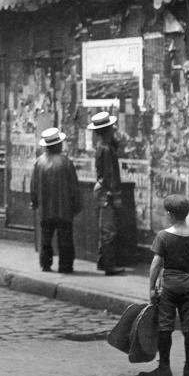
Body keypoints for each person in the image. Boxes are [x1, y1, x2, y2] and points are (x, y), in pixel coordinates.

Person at [140, 194, 189, 376]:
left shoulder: (163, 236)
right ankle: (188, 371)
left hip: (169, 287)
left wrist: (151, 288)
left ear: (169, 214)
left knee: (165, 327)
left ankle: (164, 370)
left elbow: (156, 264)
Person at [29, 127, 82, 273]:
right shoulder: (66, 163)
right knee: (65, 238)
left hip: (46, 209)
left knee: (45, 237)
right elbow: (74, 187)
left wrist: (34, 202)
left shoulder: (38, 163)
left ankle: (45, 263)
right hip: (64, 208)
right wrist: (76, 205)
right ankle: (65, 265)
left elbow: (33, 186)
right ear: (58, 145)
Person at [88, 111, 124, 275]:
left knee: (104, 228)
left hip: (102, 193)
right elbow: (110, 176)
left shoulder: (101, 146)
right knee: (109, 230)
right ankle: (109, 265)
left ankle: (103, 261)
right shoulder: (106, 149)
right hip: (107, 194)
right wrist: (116, 196)